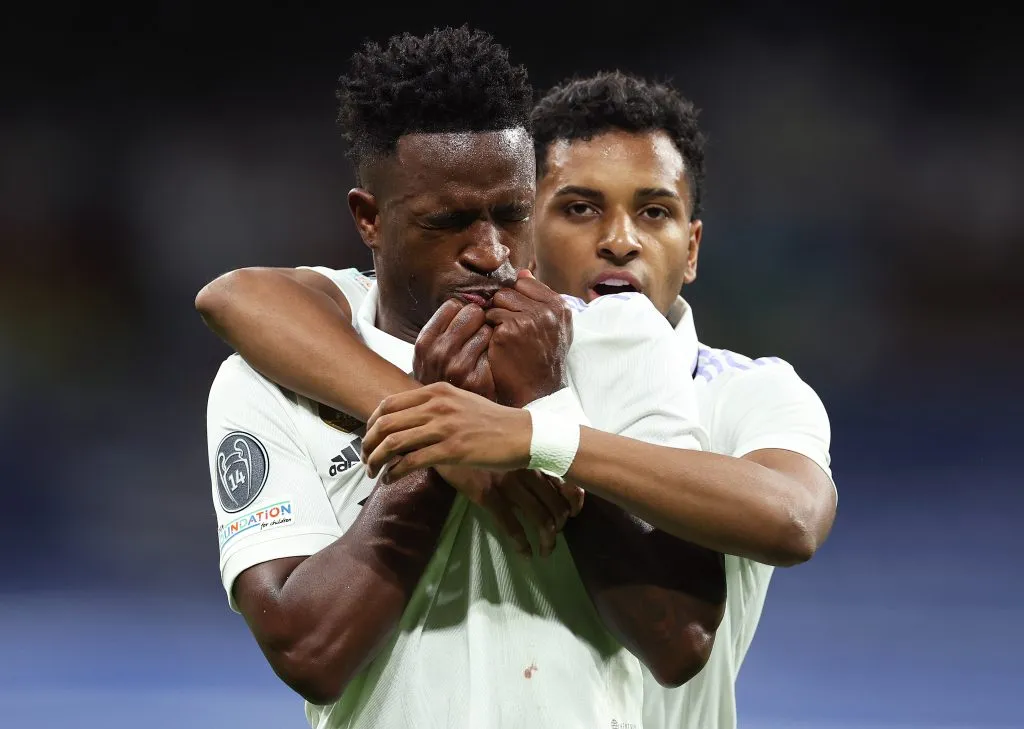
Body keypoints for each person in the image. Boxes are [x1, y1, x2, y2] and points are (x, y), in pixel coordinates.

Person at [199, 70, 838, 728]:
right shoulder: (313, 351)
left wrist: (539, 428)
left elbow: (755, 558)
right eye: (580, 207)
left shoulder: (711, 375)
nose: (618, 240)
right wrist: (443, 430)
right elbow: (235, 295)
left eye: (654, 210)